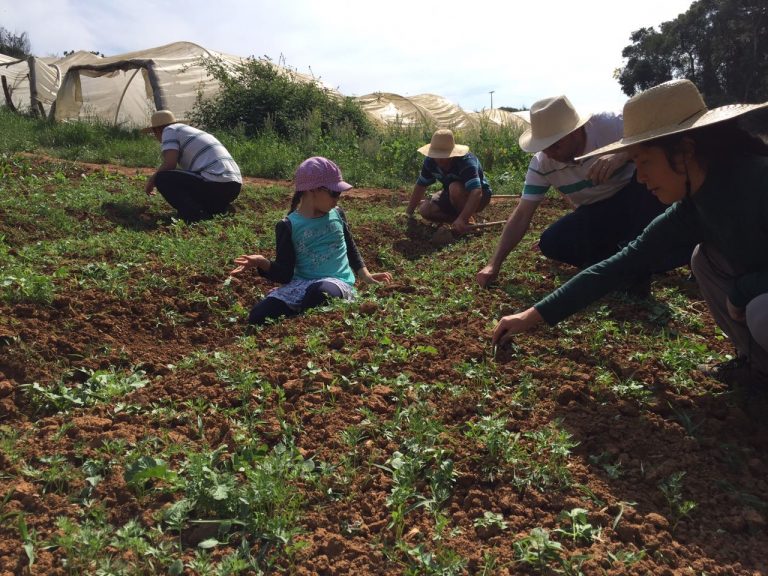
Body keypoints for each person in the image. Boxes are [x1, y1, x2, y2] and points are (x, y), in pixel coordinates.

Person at [492, 79, 768, 383]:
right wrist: (529, 316)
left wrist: (743, 291)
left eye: (644, 161)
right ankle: (755, 363)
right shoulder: (694, 206)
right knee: (704, 259)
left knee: (761, 312)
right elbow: (621, 264)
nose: (641, 176)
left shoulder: (757, 181)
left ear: (685, 151)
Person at [476, 94, 684, 289]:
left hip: (636, 195)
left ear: (575, 131)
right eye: (544, 146)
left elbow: (663, 137)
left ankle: (646, 255)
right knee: (551, 242)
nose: (550, 153)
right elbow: (522, 214)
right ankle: (626, 257)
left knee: (648, 188)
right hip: (596, 211)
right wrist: (493, 264)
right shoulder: (542, 163)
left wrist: (624, 152)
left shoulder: (612, 125)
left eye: (556, 145)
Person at [230, 156, 392, 325]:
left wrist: (366, 276)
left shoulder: (337, 214)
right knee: (258, 315)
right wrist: (262, 263)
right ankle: (299, 311)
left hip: (335, 282)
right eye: (334, 193)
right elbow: (285, 273)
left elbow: (349, 246)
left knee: (320, 293)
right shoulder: (288, 226)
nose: (338, 198)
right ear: (312, 190)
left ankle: (299, 316)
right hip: (301, 285)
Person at [143, 110, 242, 222]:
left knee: (162, 177)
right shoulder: (188, 131)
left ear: (157, 130)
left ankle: (193, 215)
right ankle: (219, 208)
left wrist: (152, 180)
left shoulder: (169, 130)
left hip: (215, 182)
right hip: (233, 186)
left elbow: (169, 164)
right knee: (184, 181)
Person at [406, 129, 492, 234]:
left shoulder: (466, 161)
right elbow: (421, 186)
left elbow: (476, 192)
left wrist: (463, 218)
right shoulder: (430, 161)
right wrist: (408, 213)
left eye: (443, 156)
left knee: (454, 187)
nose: (439, 160)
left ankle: (467, 221)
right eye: (437, 155)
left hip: (480, 197)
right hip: (451, 195)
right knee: (425, 209)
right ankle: (462, 222)